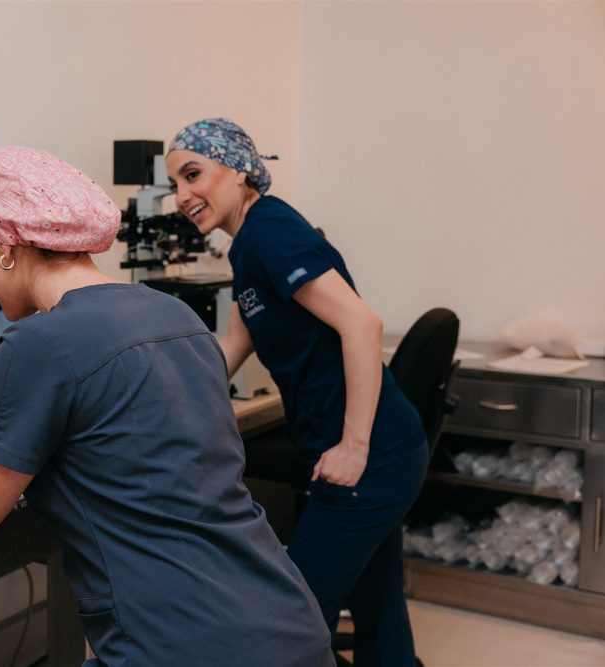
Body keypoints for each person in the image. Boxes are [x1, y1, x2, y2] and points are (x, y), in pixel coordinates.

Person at [0, 146, 334, 666]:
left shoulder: (41, 342)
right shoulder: (176, 313)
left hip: (185, 645)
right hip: (285, 620)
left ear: (6, 247)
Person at [165, 119, 428, 667]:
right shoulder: (247, 245)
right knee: (381, 618)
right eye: (175, 183)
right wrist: (157, 391)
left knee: (293, 623)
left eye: (193, 174)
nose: (182, 195)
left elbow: (363, 326)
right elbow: (235, 344)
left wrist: (354, 447)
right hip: (374, 454)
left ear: (237, 169)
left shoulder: (270, 232)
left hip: (369, 459)